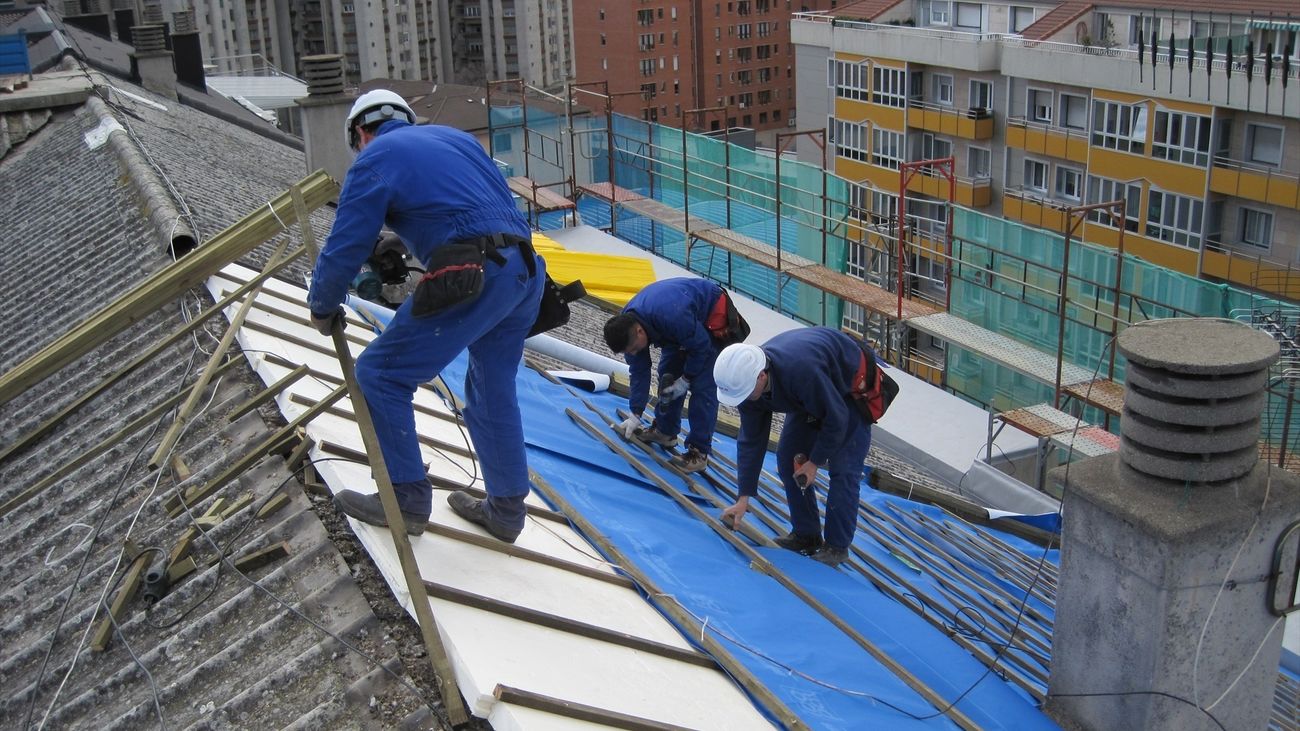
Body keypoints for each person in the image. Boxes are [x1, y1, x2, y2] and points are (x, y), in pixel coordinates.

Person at [308, 89, 544, 544]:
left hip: (475, 272)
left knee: (379, 372)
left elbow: (344, 247)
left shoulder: (373, 159)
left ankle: (406, 498)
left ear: (361, 132)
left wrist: (322, 304)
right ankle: (507, 511)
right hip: (526, 272)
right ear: (405, 119)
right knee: (491, 385)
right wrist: (407, 240)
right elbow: (466, 206)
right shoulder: (458, 140)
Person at [713, 327, 877, 566]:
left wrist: (815, 462)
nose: (745, 400)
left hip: (849, 394)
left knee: (844, 470)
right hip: (809, 394)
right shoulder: (748, 387)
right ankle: (806, 535)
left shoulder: (801, 371)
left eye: (747, 394)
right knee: (788, 457)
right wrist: (743, 497)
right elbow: (751, 440)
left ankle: (836, 547)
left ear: (761, 376)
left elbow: (836, 419)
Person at [603, 277, 748, 473]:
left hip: (707, 323)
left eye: (635, 348)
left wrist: (686, 378)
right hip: (678, 327)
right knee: (667, 375)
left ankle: (699, 452)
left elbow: (701, 347)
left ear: (639, 331)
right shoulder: (627, 328)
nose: (635, 353)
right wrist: (635, 412)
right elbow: (639, 370)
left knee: (703, 386)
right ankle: (665, 431)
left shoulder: (672, 316)